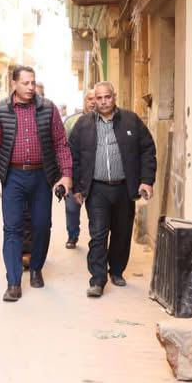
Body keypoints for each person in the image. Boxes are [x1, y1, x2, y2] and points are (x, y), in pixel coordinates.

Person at [0, 65, 72, 302]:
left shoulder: (48, 109)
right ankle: (13, 282)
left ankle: (35, 268)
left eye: (33, 82)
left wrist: (66, 175)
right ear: (14, 84)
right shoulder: (0, 110)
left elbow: (60, 143)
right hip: (13, 177)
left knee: (42, 225)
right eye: (26, 83)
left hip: (41, 176)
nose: (31, 87)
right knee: (12, 228)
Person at [69, 82, 157, 298]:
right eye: (99, 98)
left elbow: (147, 150)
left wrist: (146, 181)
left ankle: (116, 271)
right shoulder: (83, 125)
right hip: (97, 189)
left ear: (114, 96)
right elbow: (74, 157)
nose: (103, 102)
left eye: (107, 97)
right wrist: (78, 187)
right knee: (98, 234)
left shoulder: (130, 120)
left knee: (121, 232)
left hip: (124, 188)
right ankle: (97, 280)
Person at [62, 89, 96, 249]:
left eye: (95, 98)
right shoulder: (71, 121)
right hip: (74, 173)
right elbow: (62, 148)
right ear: (84, 101)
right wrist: (64, 174)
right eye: (90, 99)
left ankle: (96, 239)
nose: (93, 102)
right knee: (72, 208)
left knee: (96, 211)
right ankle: (72, 235)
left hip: (95, 176)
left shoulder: (106, 122)